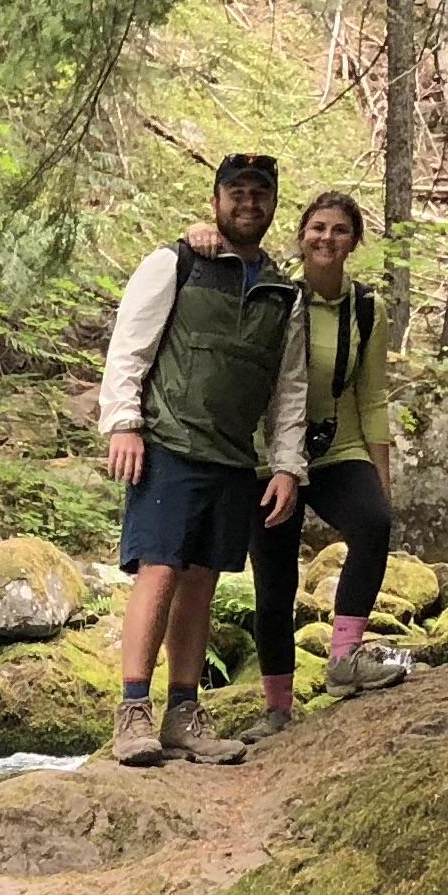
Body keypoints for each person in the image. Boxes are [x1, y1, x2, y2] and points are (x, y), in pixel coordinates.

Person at [92, 154, 304, 765]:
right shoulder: (175, 263)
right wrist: (123, 425)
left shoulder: (282, 294)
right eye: (236, 192)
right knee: (158, 571)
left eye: (259, 194)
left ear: (271, 206)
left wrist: (287, 465)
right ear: (216, 201)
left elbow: (287, 390)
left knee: (201, 585)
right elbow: (129, 346)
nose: (248, 203)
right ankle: (133, 712)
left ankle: (183, 714)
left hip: (233, 460)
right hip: (168, 446)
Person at [248, 189, 407, 730]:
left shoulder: (367, 308)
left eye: (340, 230)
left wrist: (380, 475)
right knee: (274, 583)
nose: (327, 239)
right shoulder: (278, 299)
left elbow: (372, 396)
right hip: (272, 460)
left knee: (375, 522)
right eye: (318, 228)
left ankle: (345, 658)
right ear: (301, 235)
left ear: (353, 242)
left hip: (337, 449)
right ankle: (277, 709)